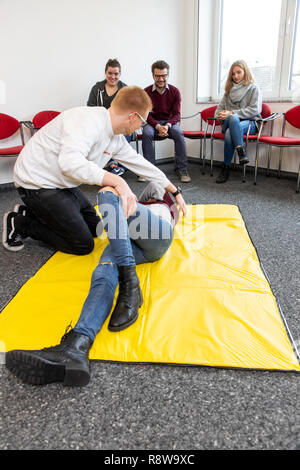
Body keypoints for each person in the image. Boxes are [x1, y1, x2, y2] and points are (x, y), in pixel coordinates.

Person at [5, 182, 181, 387]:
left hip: (157, 234)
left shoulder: (162, 205)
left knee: (108, 193)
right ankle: (76, 346)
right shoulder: (128, 210)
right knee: (104, 270)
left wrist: (161, 193)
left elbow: (154, 187)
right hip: (128, 241)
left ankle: (129, 285)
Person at [3, 86, 186, 256]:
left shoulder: (115, 136)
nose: (141, 126)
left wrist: (174, 191)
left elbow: (140, 163)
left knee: (96, 229)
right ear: (132, 116)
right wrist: (118, 181)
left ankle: (32, 212)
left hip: (62, 182)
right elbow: (70, 163)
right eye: (142, 121)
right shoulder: (86, 121)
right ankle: (20, 223)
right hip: (36, 182)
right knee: (82, 244)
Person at [142, 60, 191, 183]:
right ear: (153, 75)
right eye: (158, 76)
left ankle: (182, 169)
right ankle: (149, 169)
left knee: (179, 133)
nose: (161, 79)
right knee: (146, 133)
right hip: (153, 123)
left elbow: (177, 114)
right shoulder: (146, 92)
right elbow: (146, 115)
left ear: (168, 75)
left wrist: (167, 126)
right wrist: (158, 126)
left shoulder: (175, 91)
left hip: (170, 123)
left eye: (164, 75)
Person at [215, 60, 262, 184]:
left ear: (245, 72)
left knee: (231, 129)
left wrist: (232, 113)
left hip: (249, 123)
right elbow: (217, 111)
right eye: (233, 73)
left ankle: (226, 167)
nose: (235, 76)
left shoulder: (254, 88)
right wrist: (221, 115)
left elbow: (255, 109)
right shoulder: (228, 92)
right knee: (233, 119)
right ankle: (241, 150)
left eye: (238, 72)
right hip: (229, 122)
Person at [87, 58, 129, 176]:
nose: (113, 76)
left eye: (116, 74)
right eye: (110, 73)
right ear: (106, 73)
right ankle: (109, 164)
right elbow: (90, 108)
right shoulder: (97, 89)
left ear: (120, 74)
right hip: (101, 124)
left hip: (119, 125)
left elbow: (129, 110)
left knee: (122, 134)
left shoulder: (125, 89)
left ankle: (113, 164)